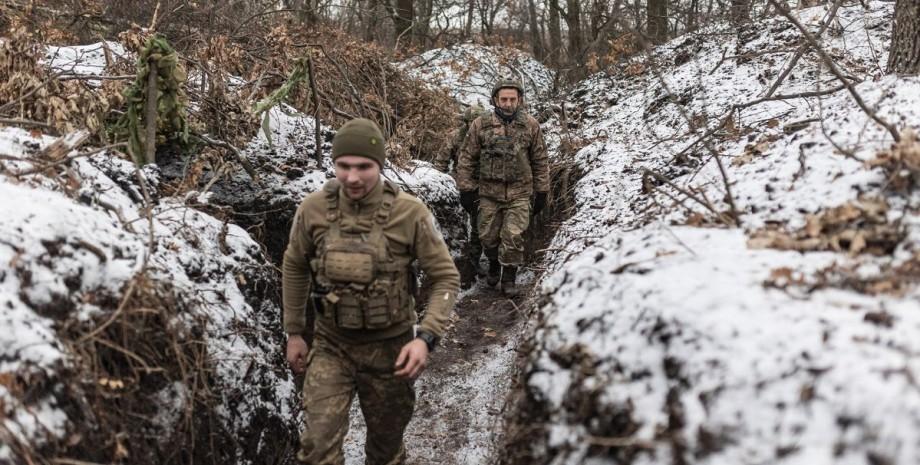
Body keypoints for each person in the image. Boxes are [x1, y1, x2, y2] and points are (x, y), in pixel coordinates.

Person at [282, 118, 460, 465]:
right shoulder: (313, 209)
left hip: (390, 350)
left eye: (364, 166)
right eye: (343, 166)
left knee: (384, 451)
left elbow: (445, 278)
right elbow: (295, 265)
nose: (352, 177)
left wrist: (425, 337)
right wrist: (294, 332)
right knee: (316, 449)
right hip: (332, 345)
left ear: (379, 165)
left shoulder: (410, 213)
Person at [456, 78, 549, 296]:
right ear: (496, 100)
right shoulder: (480, 124)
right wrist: (466, 189)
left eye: (512, 99)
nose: (508, 103)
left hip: (520, 193)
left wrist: (542, 191)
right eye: (504, 99)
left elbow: (540, 159)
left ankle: (509, 279)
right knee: (488, 237)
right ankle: (494, 264)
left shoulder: (530, 125)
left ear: (520, 100)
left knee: (513, 236)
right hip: (488, 193)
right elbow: (467, 157)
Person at [434, 103, 489, 274]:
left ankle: (474, 259)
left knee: (478, 225)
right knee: (459, 222)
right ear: (465, 122)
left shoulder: (488, 137)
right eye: (471, 122)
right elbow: (441, 162)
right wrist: (440, 182)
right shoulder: (455, 137)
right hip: (459, 183)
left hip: (481, 185)